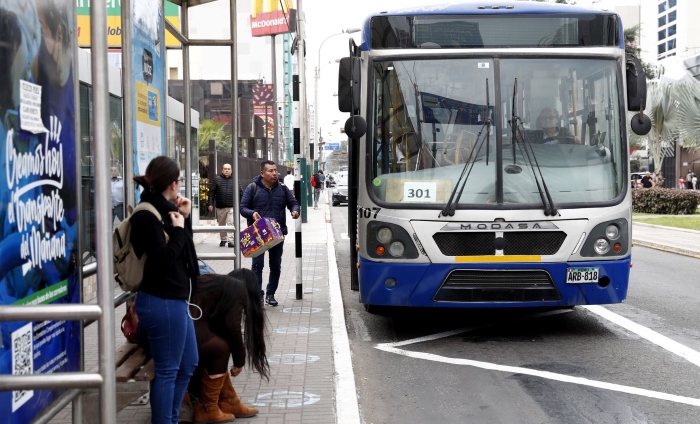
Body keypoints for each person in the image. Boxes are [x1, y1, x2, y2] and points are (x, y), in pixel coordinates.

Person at [131, 156, 200, 424]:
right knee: (168, 370)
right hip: (161, 301)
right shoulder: (148, 215)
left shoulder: (165, 210)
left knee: (188, 363)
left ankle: (170, 418)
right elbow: (163, 261)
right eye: (180, 180)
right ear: (173, 183)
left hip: (175, 300)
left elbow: (186, 250)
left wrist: (185, 217)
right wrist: (180, 228)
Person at [188, 269, 269, 423]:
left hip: (170, 324)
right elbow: (233, 327)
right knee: (219, 348)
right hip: (179, 329)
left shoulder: (217, 284)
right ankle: (208, 407)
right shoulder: (237, 288)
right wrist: (239, 360)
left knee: (215, 345)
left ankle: (229, 401)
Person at [240, 160, 300, 306]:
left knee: (276, 265)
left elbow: (293, 202)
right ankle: (258, 295)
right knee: (257, 266)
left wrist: (295, 210)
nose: (274, 173)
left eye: (275, 170)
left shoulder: (283, 189)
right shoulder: (252, 188)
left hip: (277, 235)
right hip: (259, 235)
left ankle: (270, 294)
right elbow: (243, 207)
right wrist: (252, 213)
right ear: (262, 173)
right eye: (270, 171)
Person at [209, 164, 236, 247]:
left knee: (230, 223)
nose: (227, 170)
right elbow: (211, 193)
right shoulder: (217, 179)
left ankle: (231, 241)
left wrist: (241, 204)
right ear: (222, 170)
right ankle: (223, 239)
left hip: (232, 206)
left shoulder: (235, 180)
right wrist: (210, 204)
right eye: (225, 169)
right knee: (222, 224)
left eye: (228, 169)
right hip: (220, 206)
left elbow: (240, 192)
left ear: (231, 170)